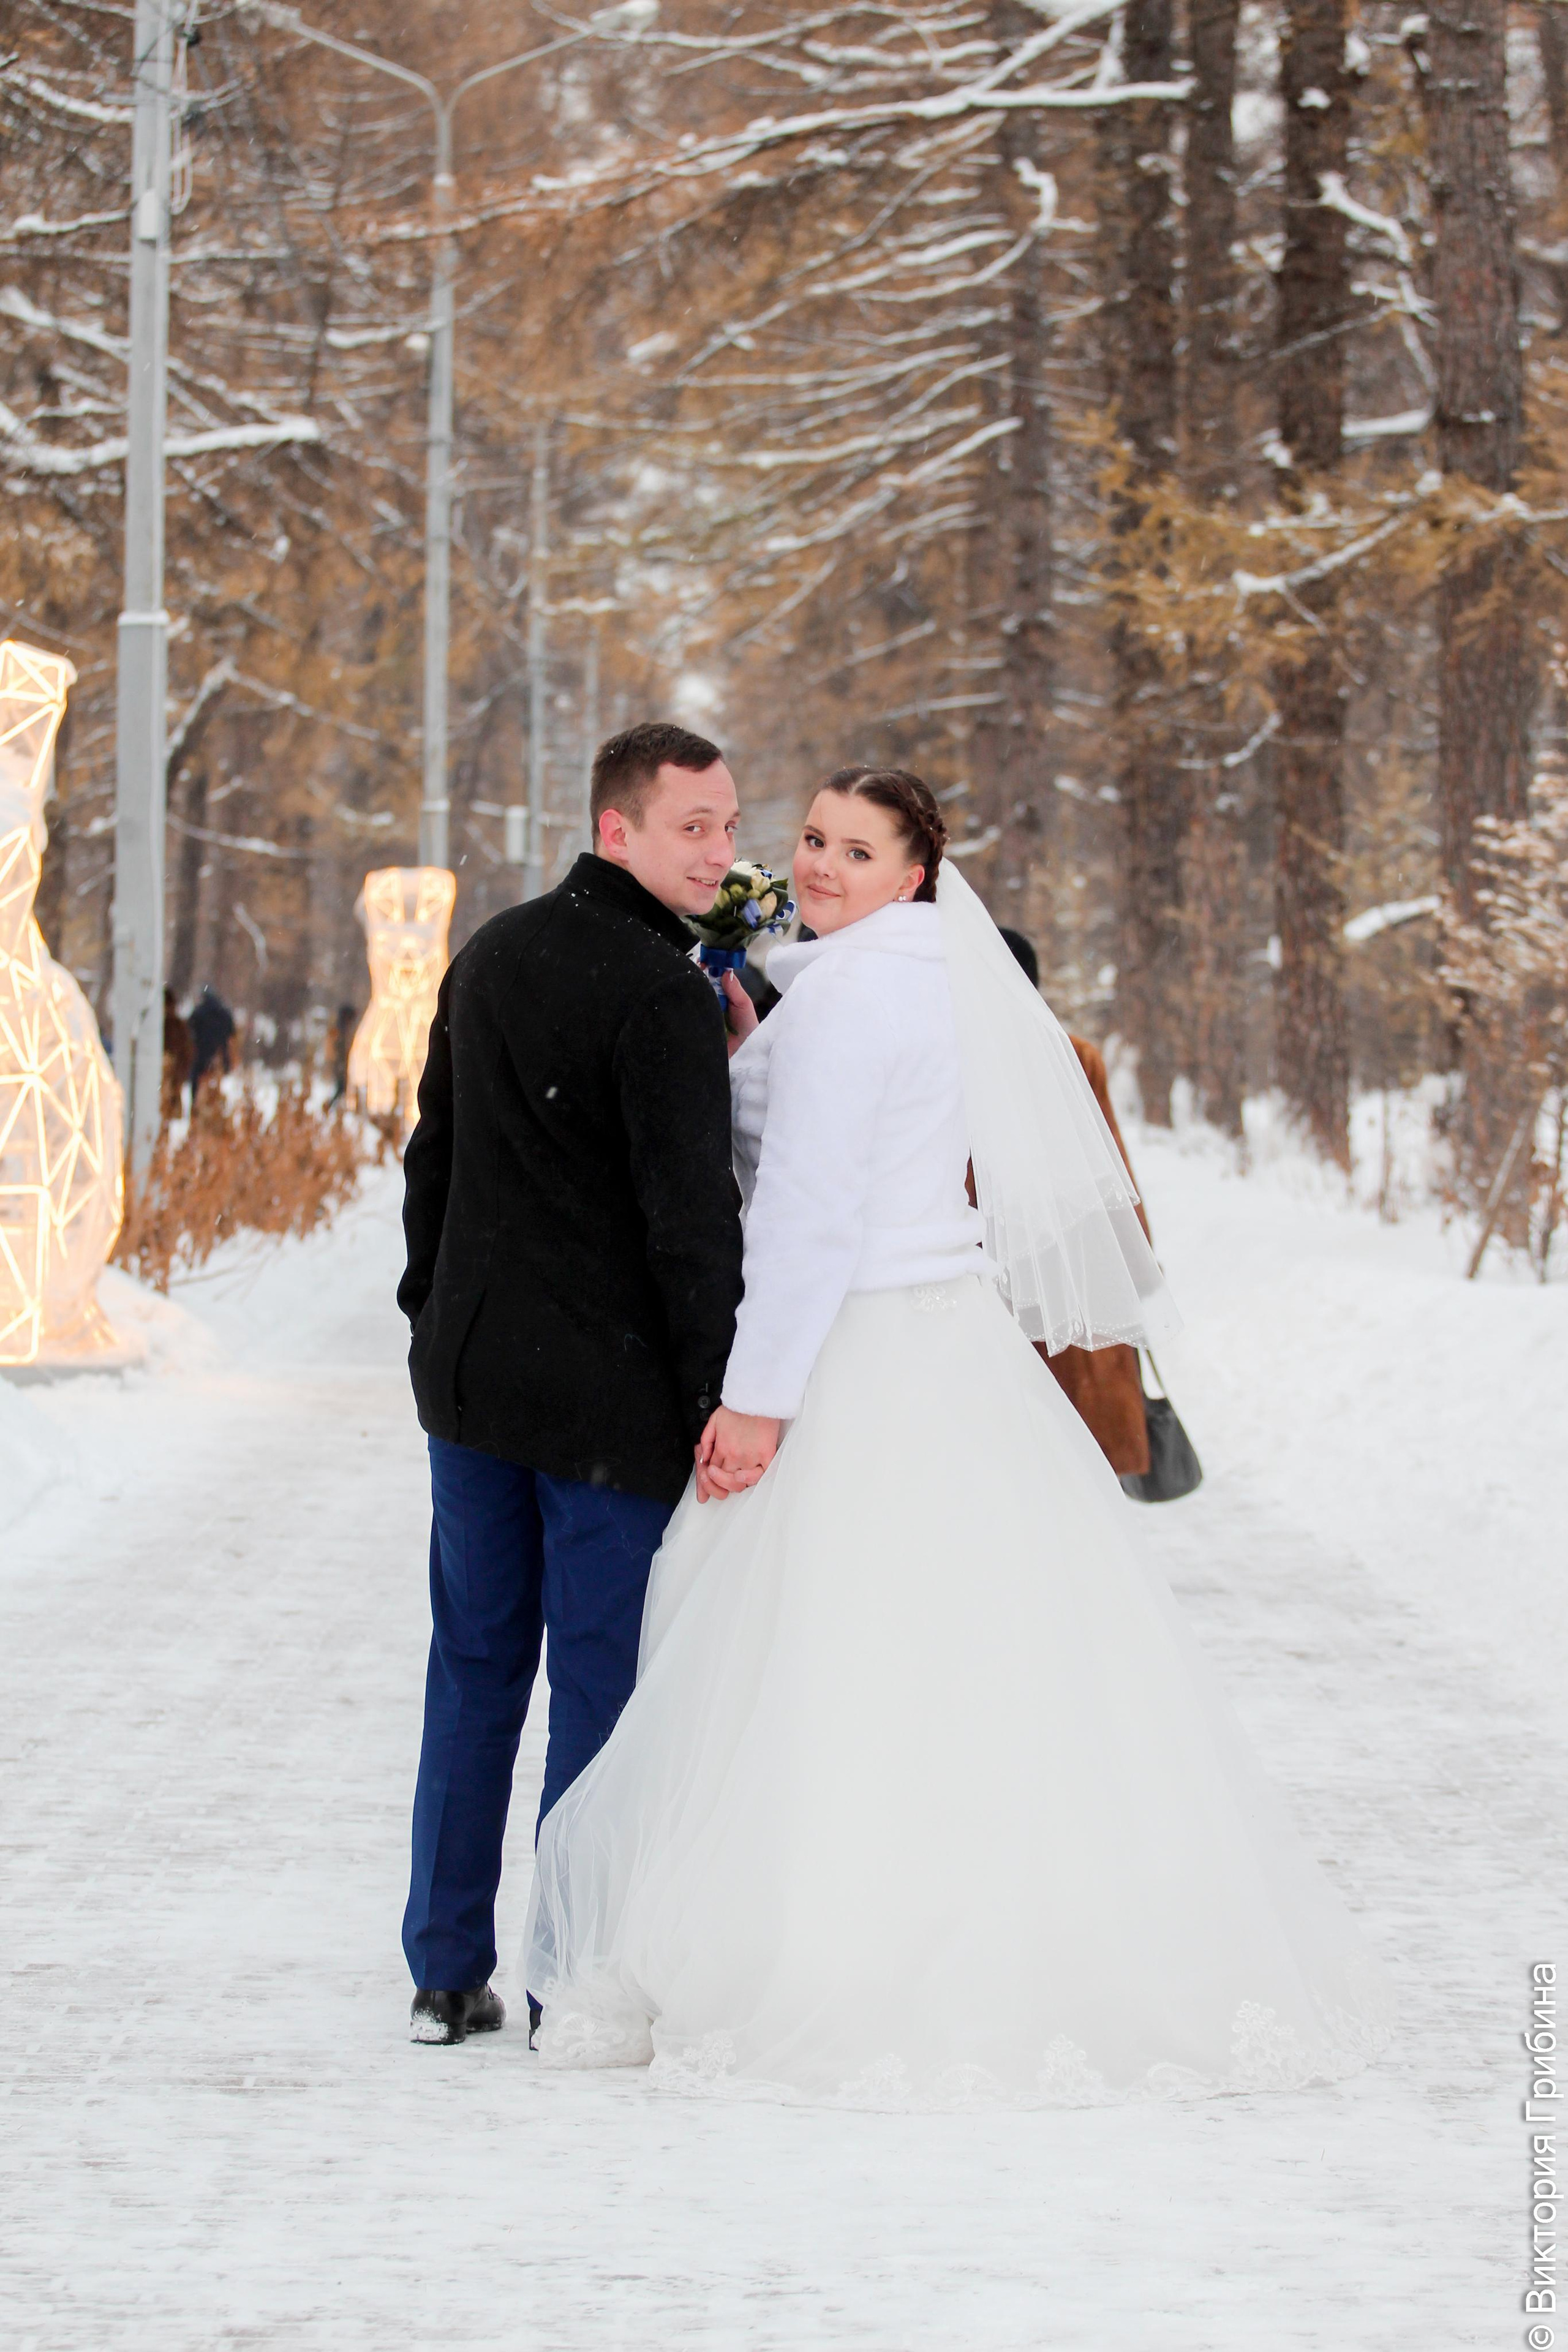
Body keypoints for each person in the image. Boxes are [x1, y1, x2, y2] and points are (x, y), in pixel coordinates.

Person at [523, 765, 1392, 2108]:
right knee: (978, 1647)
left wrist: (756, 1400)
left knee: (813, 1646)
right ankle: (1026, 1928)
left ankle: (834, 1950)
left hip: (859, 1342)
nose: (820, 867)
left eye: (857, 852)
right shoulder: (933, 980)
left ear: (914, 874)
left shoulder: (848, 999)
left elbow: (810, 1217)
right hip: (952, 1339)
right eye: (814, 840)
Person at [397, 722, 746, 2048]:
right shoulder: (661, 993)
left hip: (476, 1383)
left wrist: (431, 1318)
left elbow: (434, 1159)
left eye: (728, 825)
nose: (718, 852)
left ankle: (444, 1970)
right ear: (617, 829)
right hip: (609, 1403)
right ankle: (568, 1980)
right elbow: (690, 1225)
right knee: (598, 1684)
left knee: (476, 1665)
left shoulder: (492, 951)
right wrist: (713, 1394)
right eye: (692, 827)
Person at [998, 925, 1150, 1480]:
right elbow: (1115, 1172)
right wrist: (1139, 1263)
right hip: (1079, 1260)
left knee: (1016, 1435)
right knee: (1080, 1440)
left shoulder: (963, 1058)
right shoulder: (1075, 1055)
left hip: (996, 1263)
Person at [187, 985, 235, 1098]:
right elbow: (232, 1032)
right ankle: (216, 1103)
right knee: (218, 1085)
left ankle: (195, 1102)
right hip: (220, 1054)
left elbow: (190, 1029)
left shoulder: (199, 1012)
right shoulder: (224, 1012)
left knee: (196, 1082)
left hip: (202, 1053)